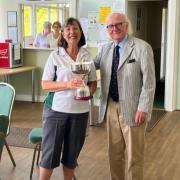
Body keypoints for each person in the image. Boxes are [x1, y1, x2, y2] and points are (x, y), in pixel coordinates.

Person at [94, 12, 156, 180]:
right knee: (114, 154)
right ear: (107, 29)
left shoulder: (142, 47)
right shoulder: (105, 48)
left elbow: (149, 83)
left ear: (126, 25)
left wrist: (143, 108)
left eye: (118, 24)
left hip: (134, 108)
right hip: (111, 107)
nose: (114, 28)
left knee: (134, 157)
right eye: (110, 26)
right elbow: (91, 66)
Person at [39, 17, 97, 180]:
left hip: (80, 112)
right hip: (57, 111)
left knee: (72, 156)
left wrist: (89, 93)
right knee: (50, 155)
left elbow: (92, 82)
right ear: (63, 34)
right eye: (68, 29)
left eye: (75, 28)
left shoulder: (87, 56)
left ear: (80, 32)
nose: (72, 32)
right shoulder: (55, 56)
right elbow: (45, 84)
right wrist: (67, 84)